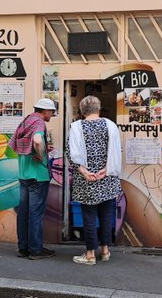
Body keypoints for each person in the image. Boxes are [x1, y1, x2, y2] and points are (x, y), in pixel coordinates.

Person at [67, 96, 122, 265]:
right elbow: (117, 150)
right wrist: (106, 170)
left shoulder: (76, 127)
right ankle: (105, 250)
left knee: (89, 216)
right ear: (98, 109)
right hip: (106, 178)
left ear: (82, 111)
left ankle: (90, 254)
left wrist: (84, 171)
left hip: (87, 180)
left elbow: (70, 153)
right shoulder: (110, 125)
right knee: (106, 214)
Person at [8, 98, 57, 260]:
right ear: (45, 111)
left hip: (23, 174)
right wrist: (39, 153)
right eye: (51, 112)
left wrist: (43, 147)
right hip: (37, 176)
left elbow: (28, 142)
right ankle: (35, 250)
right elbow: (36, 140)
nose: (52, 115)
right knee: (35, 213)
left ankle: (23, 248)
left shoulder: (26, 120)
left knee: (23, 213)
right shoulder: (39, 123)